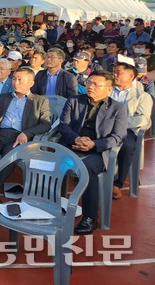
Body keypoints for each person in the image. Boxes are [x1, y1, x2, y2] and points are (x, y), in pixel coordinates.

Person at [57, 71, 128, 234]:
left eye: (96, 84)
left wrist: (94, 144)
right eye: (89, 83)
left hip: (97, 151)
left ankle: (90, 217)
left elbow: (118, 137)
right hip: (72, 144)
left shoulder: (118, 108)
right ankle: (47, 205)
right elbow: (63, 125)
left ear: (109, 89)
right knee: (48, 160)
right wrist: (76, 139)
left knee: (86, 168)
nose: (90, 87)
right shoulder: (74, 100)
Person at [0, 67, 51, 198]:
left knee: (9, 158)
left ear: (31, 83)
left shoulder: (40, 101)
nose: (16, 82)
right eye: (14, 79)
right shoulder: (4, 97)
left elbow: (46, 124)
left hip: (19, 138)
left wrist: (27, 133)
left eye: (20, 80)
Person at [111, 63, 153, 199]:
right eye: (114, 72)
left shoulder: (142, 96)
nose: (115, 75)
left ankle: (117, 182)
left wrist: (118, 123)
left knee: (127, 146)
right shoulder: (107, 90)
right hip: (102, 127)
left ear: (131, 76)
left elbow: (143, 119)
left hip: (126, 130)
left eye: (119, 72)